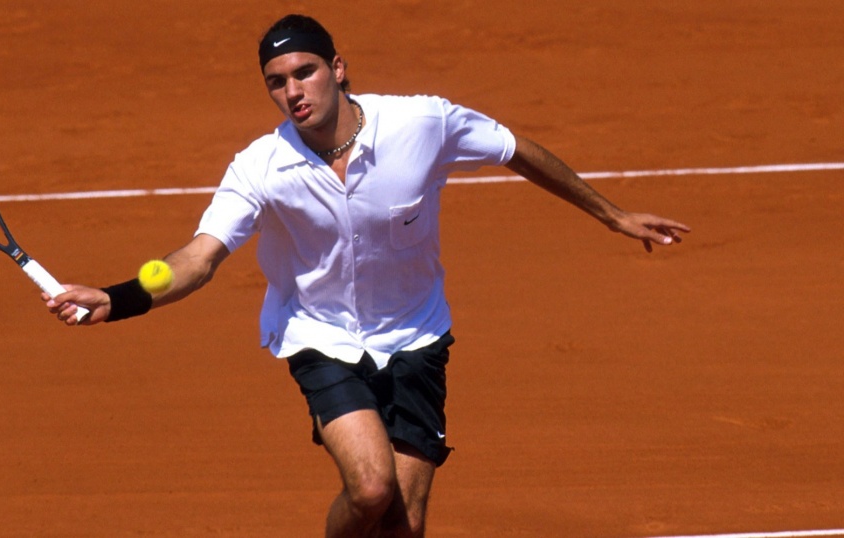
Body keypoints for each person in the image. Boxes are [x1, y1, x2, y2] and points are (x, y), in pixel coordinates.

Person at [45, 14, 690, 538]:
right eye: (276, 81)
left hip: (415, 338)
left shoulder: (422, 124)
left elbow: (516, 149)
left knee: (405, 527)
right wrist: (117, 297)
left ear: (338, 69)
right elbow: (199, 258)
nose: (293, 90)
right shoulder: (260, 167)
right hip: (321, 339)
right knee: (372, 488)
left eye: (305, 71)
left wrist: (612, 215)